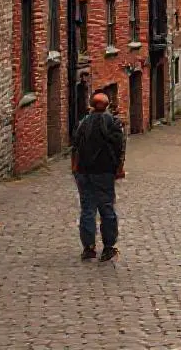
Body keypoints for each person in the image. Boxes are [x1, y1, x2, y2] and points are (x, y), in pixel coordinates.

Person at [70, 91, 126, 261]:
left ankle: (89, 247)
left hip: (84, 172)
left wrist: (75, 168)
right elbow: (120, 148)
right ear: (108, 105)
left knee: (87, 209)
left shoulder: (83, 123)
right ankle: (108, 247)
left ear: (91, 106)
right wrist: (119, 168)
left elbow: (75, 147)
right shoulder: (114, 123)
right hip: (104, 172)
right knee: (106, 208)